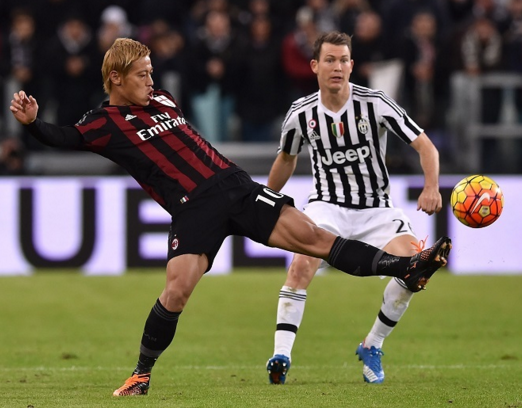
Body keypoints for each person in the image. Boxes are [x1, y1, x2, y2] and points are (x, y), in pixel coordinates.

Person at [9, 38, 451, 397]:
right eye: (142, 74)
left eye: (151, 72)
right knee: (176, 292)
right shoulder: (103, 124)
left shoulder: (162, 99)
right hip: (193, 209)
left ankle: (407, 265)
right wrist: (32, 123)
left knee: (314, 240)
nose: (151, 80)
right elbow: (61, 137)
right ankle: (141, 374)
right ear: (116, 79)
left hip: (235, 186)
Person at [265, 31, 445, 385]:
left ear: (352, 65)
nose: (337, 67)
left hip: (376, 209)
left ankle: (372, 344)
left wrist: (431, 186)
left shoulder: (375, 103)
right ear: (314, 66)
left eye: (343, 60)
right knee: (300, 266)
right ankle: (281, 355)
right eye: (330, 60)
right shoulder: (301, 113)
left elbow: (426, 146)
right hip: (326, 207)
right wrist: (266, 200)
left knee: (416, 270)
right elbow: (286, 158)